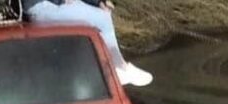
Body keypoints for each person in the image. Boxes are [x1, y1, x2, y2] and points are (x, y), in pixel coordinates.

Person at [21, 0, 154, 87]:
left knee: (102, 14)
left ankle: (117, 66)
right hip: (41, 6)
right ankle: (117, 67)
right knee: (101, 19)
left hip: (52, 5)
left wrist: (97, 2)